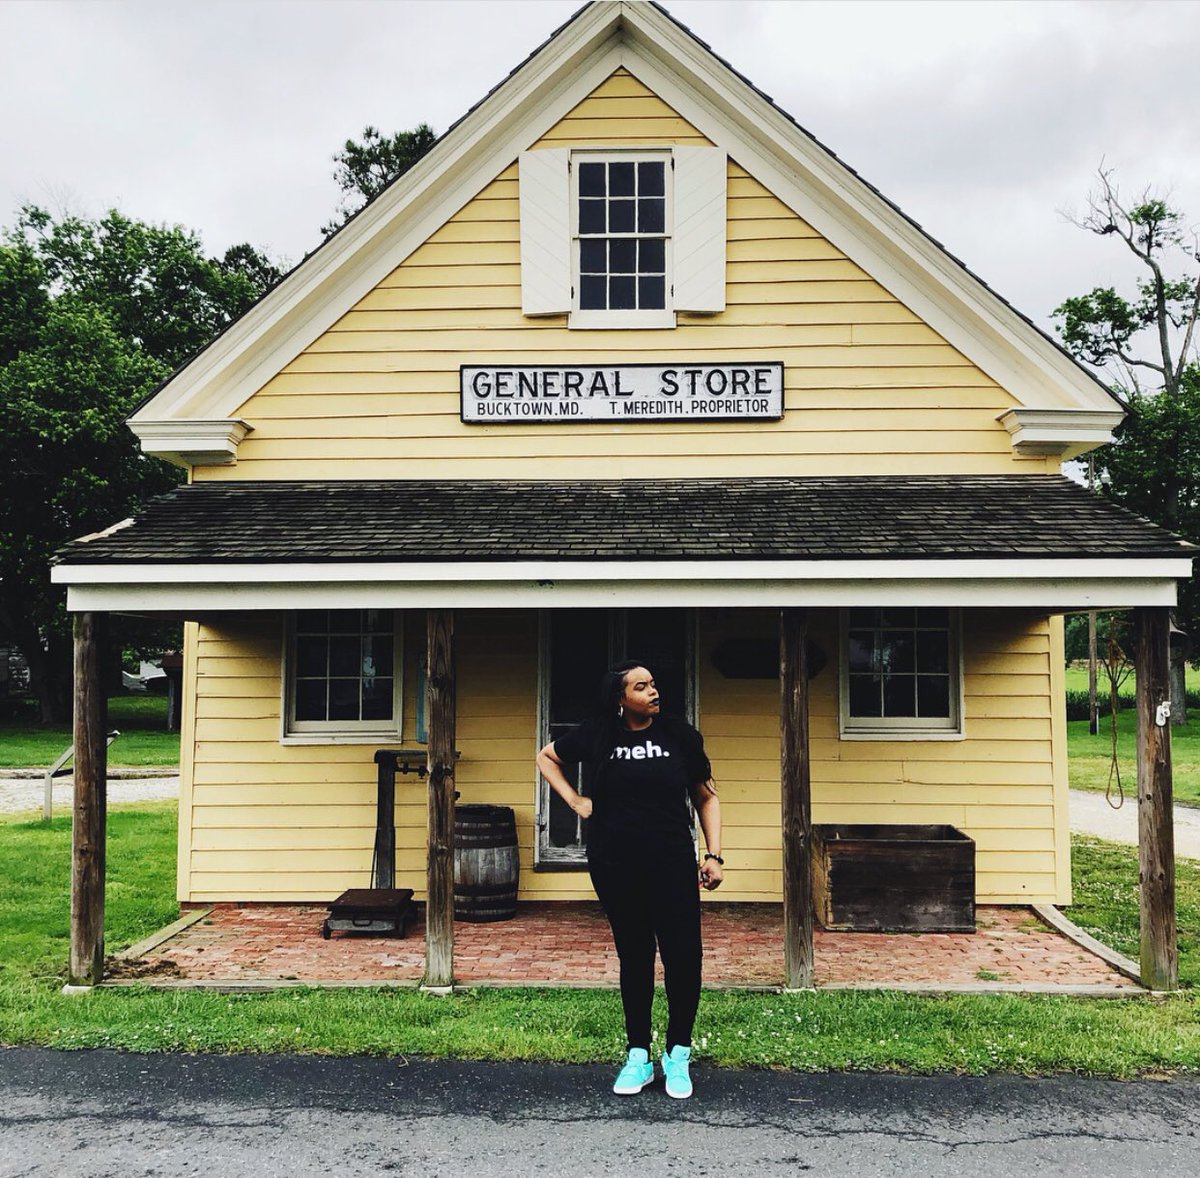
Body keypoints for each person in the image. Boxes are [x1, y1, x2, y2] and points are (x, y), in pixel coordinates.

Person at [536, 660, 723, 1100]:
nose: (653, 692)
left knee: (683, 955)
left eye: (654, 684)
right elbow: (547, 757)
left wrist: (713, 854)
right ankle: (638, 1055)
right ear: (621, 699)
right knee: (635, 955)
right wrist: (575, 801)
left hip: (673, 860)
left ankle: (678, 1054)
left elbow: (706, 796)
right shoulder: (600, 733)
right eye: (642, 687)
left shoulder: (680, 735)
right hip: (615, 863)